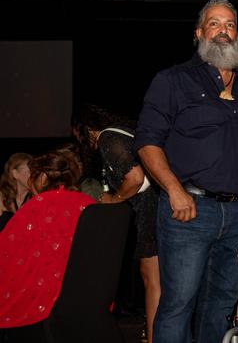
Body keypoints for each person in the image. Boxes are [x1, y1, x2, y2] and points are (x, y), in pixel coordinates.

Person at [135, 0, 238, 343]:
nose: (223, 31)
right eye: (214, 24)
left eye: (230, 25)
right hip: (188, 212)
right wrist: (174, 190)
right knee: (178, 303)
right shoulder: (172, 81)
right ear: (199, 33)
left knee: (222, 304)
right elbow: (147, 142)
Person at [74, 103, 160, 343]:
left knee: (152, 279)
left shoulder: (107, 137)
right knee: (159, 279)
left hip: (151, 209)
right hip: (156, 207)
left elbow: (135, 178)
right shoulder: (122, 132)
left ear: (85, 129)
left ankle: (154, 337)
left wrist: (114, 197)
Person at [0, 150, 96, 328]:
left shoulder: (38, 206)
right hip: (89, 291)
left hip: (47, 296)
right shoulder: (88, 203)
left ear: (42, 178)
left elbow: (6, 249)